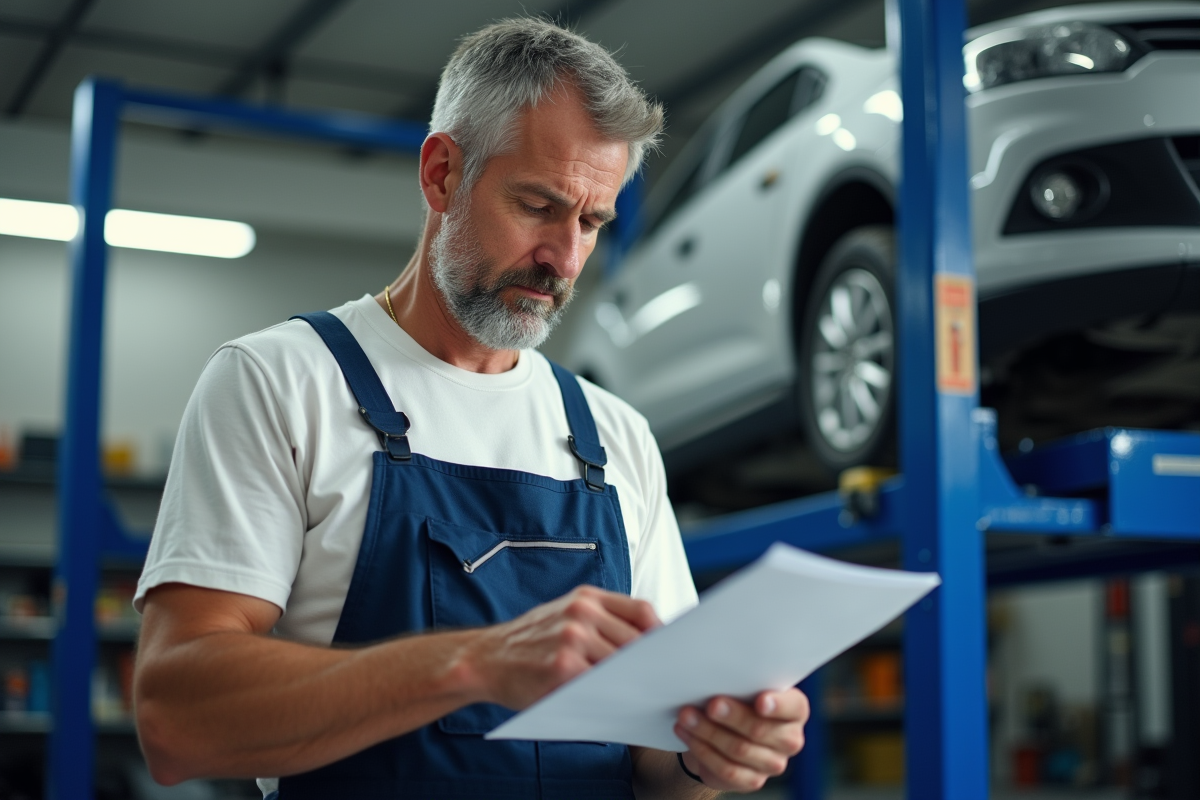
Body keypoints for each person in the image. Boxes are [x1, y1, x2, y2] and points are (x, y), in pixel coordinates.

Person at [132, 18, 808, 799]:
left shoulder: (616, 437)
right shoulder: (279, 382)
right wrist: (476, 662)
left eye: (592, 223)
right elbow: (174, 717)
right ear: (442, 174)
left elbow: (658, 764)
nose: (565, 258)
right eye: (538, 205)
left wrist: (711, 752)